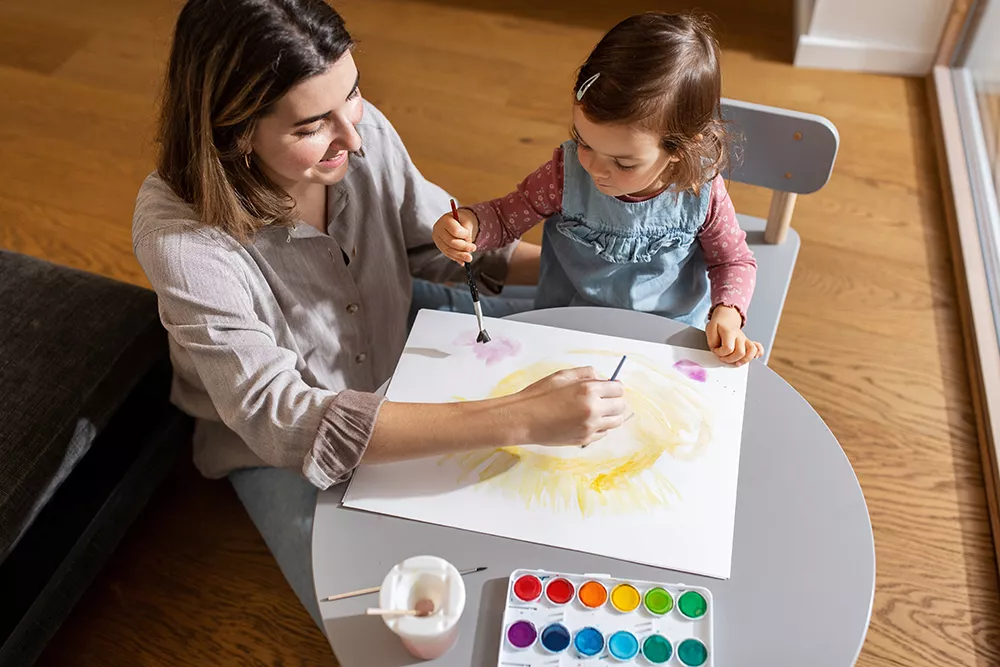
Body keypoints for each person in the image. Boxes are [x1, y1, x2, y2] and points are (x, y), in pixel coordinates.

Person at [133, 0, 627, 628]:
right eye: (312, 124)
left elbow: (431, 244)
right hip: (280, 444)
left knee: (579, 307)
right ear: (233, 129)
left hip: (399, 338)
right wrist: (519, 418)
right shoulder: (182, 238)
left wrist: (589, 264)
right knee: (388, 618)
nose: (356, 136)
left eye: (355, 94)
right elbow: (280, 417)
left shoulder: (353, 139)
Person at [433, 12, 764, 367]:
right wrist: (468, 225)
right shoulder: (565, 174)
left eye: (623, 163)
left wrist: (727, 314)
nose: (593, 167)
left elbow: (733, 259)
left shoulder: (701, 193)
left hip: (667, 337)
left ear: (678, 150)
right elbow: (504, 216)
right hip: (568, 326)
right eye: (584, 142)